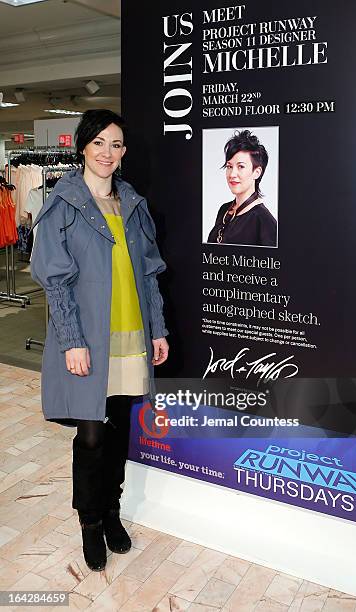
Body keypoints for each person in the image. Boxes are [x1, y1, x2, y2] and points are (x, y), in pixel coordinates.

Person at [30, 109, 169, 572]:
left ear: (123, 152)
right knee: (91, 434)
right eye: (99, 143)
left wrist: (159, 328)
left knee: (120, 428)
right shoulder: (63, 203)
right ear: (83, 147)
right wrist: (72, 339)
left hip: (132, 332)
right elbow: (54, 279)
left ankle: (112, 511)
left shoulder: (131, 202)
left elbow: (148, 273)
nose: (108, 153)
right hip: (88, 337)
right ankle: (90, 522)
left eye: (116, 145)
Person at [207, 130, 277, 247]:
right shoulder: (224, 209)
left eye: (241, 166)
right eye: (229, 166)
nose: (232, 174)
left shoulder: (264, 220)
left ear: (257, 172)